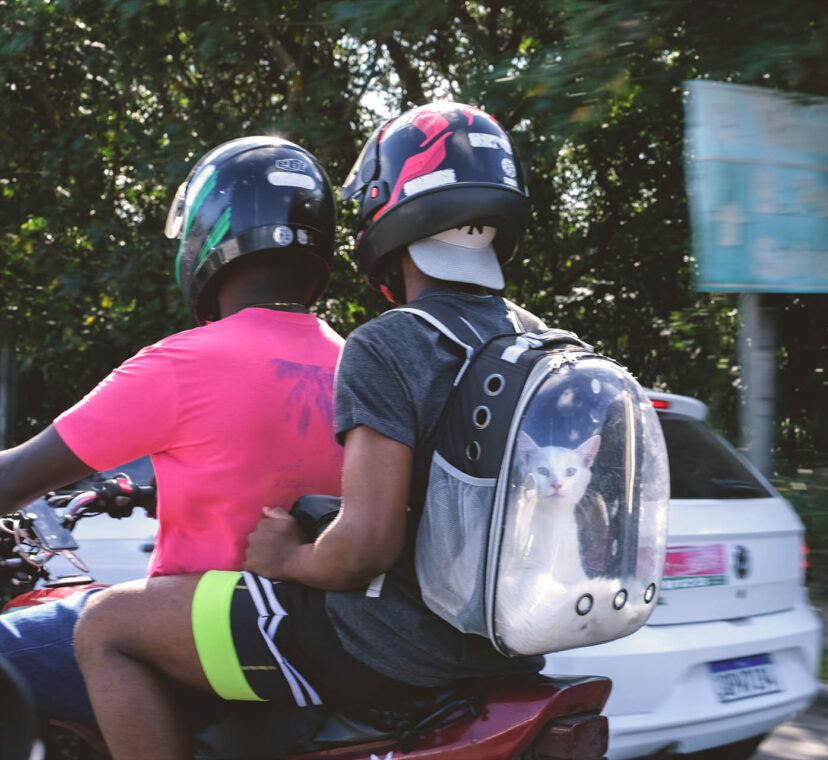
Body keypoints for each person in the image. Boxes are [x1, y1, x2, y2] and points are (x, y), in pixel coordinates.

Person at [73, 102, 549, 759]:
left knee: (104, 625)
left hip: (386, 643)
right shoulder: (540, 343)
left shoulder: (388, 344)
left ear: (389, 208)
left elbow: (365, 547)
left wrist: (288, 558)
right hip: (506, 645)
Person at [0, 136, 346, 724]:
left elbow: (20, 475)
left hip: (206, 642)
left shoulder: (183, 365)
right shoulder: (352, 359)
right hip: (319, 634)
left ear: (208, 231)